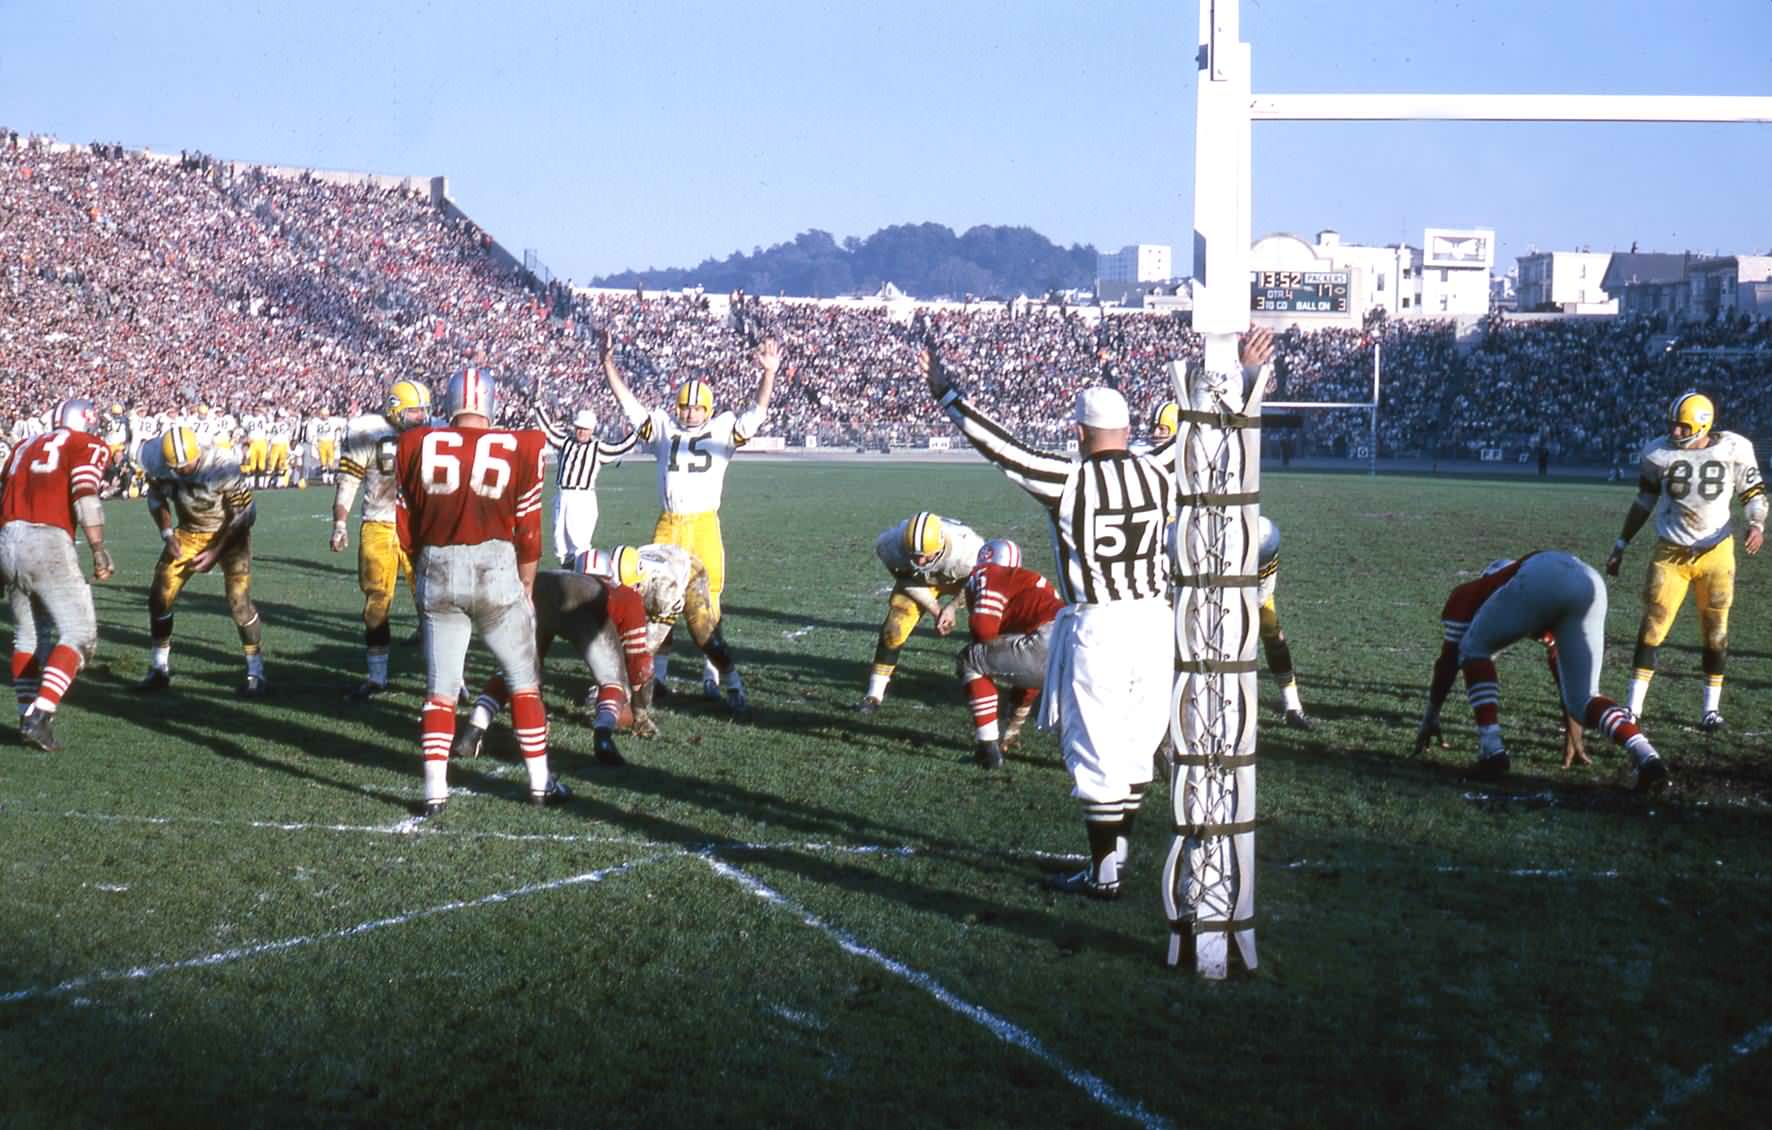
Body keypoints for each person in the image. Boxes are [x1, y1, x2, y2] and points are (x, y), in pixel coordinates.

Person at [924, 331, 1274, 899]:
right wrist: (1247, 371)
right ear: (1130, 430)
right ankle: (1115, 864)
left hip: (1098, 627)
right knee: (1135, 751)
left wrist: (948, 395)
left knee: (1095, 755)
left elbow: (1003, 450)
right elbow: (1212, 425)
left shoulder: (1070, 478)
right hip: (1158, 625)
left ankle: (1103, 872)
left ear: (1080, 434)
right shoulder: (1160, 465)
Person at [393, 367, 567, 816]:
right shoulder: (522, 445)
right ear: (490, 402)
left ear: (450, 403)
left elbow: (404, 526)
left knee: (441, 689)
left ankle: (434, 790)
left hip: (437, 565)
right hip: (496, 568)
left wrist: (422, 573)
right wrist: (527, 582)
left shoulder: (413, 443)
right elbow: (528, 531)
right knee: (524, 682)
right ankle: (540, 783)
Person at [600, 328, 779, 696]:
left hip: (703, 525)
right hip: (669, 523)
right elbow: (629, 404)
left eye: (697, 407)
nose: (691, 412)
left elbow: (757, 412)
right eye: (686, 406)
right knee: (655, 598)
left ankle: (711, 675)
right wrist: (608, 365)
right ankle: (660, 676)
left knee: (708, 603)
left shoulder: (723, 426)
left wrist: (769, 373)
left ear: (708, 409)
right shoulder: (664, 427)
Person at [1414, 552, 1668, 791]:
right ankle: (1648, 757)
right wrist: (1573, 723)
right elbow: (1561, 667)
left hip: (1544, 574)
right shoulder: (1530, 591)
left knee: (1473, 648)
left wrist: (1431, 715)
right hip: (1589, 580)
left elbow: (1448, 662)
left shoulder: (1472, 594)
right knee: (1584, 698)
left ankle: (1491, 750)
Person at [1606, 391, 1765, 731]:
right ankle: (1633, 709)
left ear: (1703, 423)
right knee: (1652, 626)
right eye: (1673, 425)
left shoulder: (1733, 448)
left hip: (1717, 552)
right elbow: (1644, 501)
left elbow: (1752, 492)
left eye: (1682, 426)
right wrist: (1621, 543)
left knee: (1716, 631)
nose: (1675, 433)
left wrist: (1757, 523)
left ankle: (1710, 710)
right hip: (1671, 552)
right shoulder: (1657, 453)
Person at [0, 399, 115, 751]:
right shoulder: (87, 444)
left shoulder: (23, 445)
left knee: (28, 637)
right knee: (79, 634)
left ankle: (25, 715)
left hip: (6, 540)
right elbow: (85, 495)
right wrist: (98, 548)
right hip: (45, 540)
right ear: (87, 421)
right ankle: (41, 713)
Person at [454, 569, 647, 764]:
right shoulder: (630, 599)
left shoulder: (589, 577)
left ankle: (473, 730)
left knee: (514, 670)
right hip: (583, 602)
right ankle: (603, 738)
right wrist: (640, 712)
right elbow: (641, 665)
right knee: (612, 682)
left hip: (539, 587)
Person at [135, 425, 268, 696]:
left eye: (182, 467)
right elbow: (156, 497)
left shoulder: (222, 465)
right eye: (172, 467)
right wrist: (167, 533)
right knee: (159, 597)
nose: (176, 472)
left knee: (238, 602)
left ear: (196, 456)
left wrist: (215, 552)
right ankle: (159, 669)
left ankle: (256, 672)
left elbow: (243, 516)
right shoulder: (161, 461)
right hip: (189, 532)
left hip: (229, 532)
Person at [330, 379, 432, 701]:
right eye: (414, 411)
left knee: (435, 602)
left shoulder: (433, 433)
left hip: (419, 525)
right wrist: (340, 524)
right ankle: (377, 677)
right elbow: (349, 480)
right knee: (377, 602)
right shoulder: (367, 431)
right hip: (379, 522)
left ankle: (448, 680)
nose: (420, 418)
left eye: (423, 411)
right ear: (393, 408)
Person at [579, 542, 750, 718]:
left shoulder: (664, 591)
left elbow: (652, 634)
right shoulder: (618, 571)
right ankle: (626, 683)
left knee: (702, 634)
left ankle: (734, 685)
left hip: (688, 572)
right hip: (660, 558)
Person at [859, 511, 985, 713]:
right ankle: (874, 694)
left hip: (962, 580)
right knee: (894, 629)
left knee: (985, 623)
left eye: (925, 556)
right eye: (914, 556)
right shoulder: (890, 545)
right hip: (919, 582)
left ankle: (987, 683)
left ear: (941, 546)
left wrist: (952, 608)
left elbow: (978, 582)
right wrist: (936, 610)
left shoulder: (969, 552)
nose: (920, 561)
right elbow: (907, 579)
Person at [957, 538, 1061, 769]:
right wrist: (1013, 727)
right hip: (1078, 645)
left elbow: (983, 628)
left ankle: (987, 749)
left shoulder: (987, 572)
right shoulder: (1031, 586)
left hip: (1046, 642)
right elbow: (1028, 679)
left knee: (970, 660)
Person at [533, 403, 636, 567]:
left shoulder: (598, 448)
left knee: (579, 543)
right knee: (559, 542)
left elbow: (620, 447)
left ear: (592, 430)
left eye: (585, 428)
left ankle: (582, 576)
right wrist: (538, 406)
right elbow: (548, 431)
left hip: (582, 497)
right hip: (562, 495)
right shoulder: (565, 442)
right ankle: (566, 576)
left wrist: (638, 433)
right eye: (579, 427)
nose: (581, 431)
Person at [1255, 516, 1314, 730]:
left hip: (1253, 593)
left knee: (1271, 630)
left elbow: (1261, 596)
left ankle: (1292, 705)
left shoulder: (1266, 544)